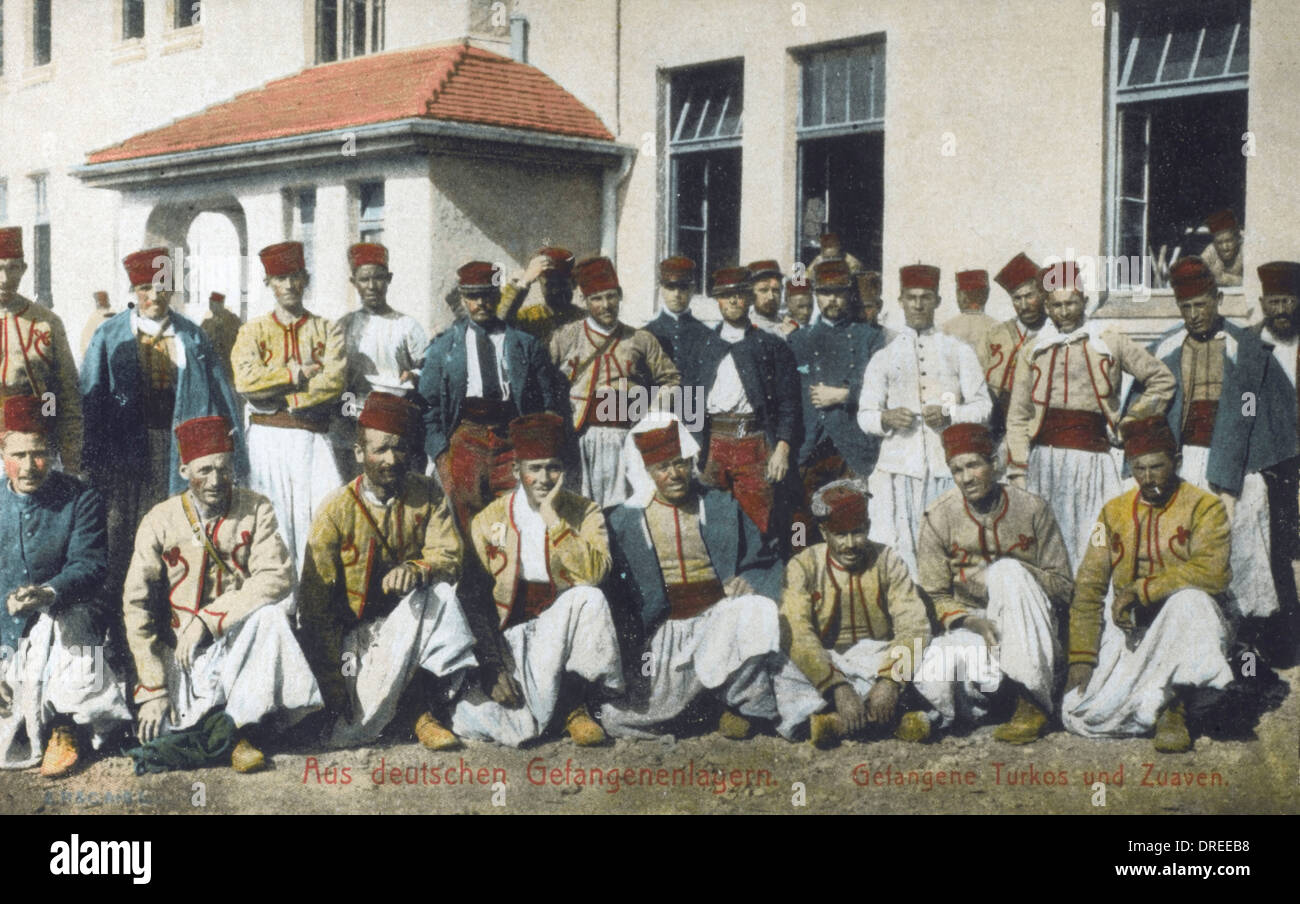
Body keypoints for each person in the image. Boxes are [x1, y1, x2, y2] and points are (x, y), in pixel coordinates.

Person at [123, 415, 321, 773]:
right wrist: (152, 687)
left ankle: (240, 732)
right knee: (161, 730)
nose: (216, 481)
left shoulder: (255, 507)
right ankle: (230, 734)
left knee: (271, 616)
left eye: (224, 469)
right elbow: (136, 606)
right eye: (205, 470)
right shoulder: (159, 519)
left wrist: (209, 619)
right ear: (184, 470)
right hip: (182, 654)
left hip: (236, 642)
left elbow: (276, 576)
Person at [298, 393, 478, 750]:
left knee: (437, 593)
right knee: (355, 726)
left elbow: (450, 554)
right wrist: (332, 678)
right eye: (380, 450)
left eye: (398, 449)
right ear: (359, 452)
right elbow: (315, 606)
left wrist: (417, 568)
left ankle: (424, 712)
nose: (391, 459)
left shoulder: (426, 492)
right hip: (356, 642)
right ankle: (404, 713)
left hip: (407, 625)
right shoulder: (334, 511)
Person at [601, 418, 783, 739]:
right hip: (664, 635)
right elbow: (616, 597)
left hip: (719, 620)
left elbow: (764, 560)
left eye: (679, 463)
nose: (674, 474)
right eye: (661, 467)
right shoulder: (625, 521)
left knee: (754, 609)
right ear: (647, 472)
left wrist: (747, 581)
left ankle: (741, 706)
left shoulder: (718, 505)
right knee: (618, 719)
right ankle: (708, 708)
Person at [1061, 417, 1234, 753]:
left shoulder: (1205, 506)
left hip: (1194, 622)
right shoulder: (1112, 512)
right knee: (1078, 714)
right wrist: (1081, 656)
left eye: (1157, 467)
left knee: (1190, 601)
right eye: (1139, 469)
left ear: (1177, 462)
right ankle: (1157, 705)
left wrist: (1141, 591)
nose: (1148, 478)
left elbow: (1214, 573)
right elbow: (1089, 585)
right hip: (1135, 630)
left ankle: (1175, 707)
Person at [451, 412, 624, 747]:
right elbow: (475, 597)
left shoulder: (585, 511)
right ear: (517, 471)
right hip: (510, 638)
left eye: (553, 467)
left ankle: (574, 708)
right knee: (510, 726)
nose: (544, 478)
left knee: (589, 598)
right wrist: (492, 665)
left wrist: (554, 519)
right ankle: (549, 710)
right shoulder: (489, 519)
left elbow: (594, 575)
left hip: (558, 631)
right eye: (534, 468)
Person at [82, 247, 248, 595]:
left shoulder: (192, 337)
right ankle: (120, 624)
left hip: (177, 452)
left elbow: (220, 395)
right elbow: (91, 402)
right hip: (125, 455)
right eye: (144, 288)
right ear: (134, 291)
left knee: (176, 532)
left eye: (161, 287)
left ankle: (174, 611)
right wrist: (93, 462)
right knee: (122, 536)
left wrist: (233, 454)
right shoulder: (109, 335)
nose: (153, 296)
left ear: (171, 289)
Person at [1133, 256, 1286, 620]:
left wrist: (1236, 457)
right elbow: (1146, 408)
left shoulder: (1246, 350)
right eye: (1185, 307)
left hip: (1235, 460)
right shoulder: (1165, 348)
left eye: (1200, 304)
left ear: (1217, 299)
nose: (1194, 314)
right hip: (1184, 458)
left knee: (1243, 529)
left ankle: (1247, 632)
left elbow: (1253, 410)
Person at [1004, 260, 1174, 570]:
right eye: (1056, 305)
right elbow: (1018, 415)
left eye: (1071, 302)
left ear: (1084, 300)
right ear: (1046, 305)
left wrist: (1133, 419)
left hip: (1094, 460)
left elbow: (1161, 380)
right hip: (1045, 460)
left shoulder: (1108, 340)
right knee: (1047, 542)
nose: (1064, 312)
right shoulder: (1033, 349)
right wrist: (1019, 467)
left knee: (1095, 541)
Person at [914, 423, 1073, 743]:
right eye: (957, 470)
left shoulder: (1032, 508)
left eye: (974, 465)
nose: (966, 477)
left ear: (994, 464)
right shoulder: (939, 515)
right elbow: (934, 594)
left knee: (1007, 572)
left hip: (1034, 630)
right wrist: (970, 620)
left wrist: (1015, 575)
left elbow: (1064, 585)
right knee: (933, 672)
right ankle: (987, 704)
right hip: (976, 627)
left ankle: (1032, 702)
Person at [0, 396, 131, 777]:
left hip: (63, 615)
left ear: (54, 452)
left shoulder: (79, 497)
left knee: (74, 626)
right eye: (18, 454)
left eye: (39, 453)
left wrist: (47, 593)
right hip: (5, 634)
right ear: (2, 451)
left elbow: (89, 565)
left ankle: (67, 726)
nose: (28, 466)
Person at [773, 479, 933, 748]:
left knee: (933, 660)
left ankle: (836, 724)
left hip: (880, 659)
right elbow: (798, 632)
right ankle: (893, 722)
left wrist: (890, 680)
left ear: (868, 527)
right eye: (840, 534)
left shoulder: (888, 560)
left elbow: (913, 624)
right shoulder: (803, 565)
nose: (850, 544)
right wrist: (838, 687)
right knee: (781, 667)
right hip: (828, 661)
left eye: (857, 532)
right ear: (824, 532)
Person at [856, 263, 992, 576]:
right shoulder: (884, 357)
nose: (918, 304)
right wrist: (886, 418)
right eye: (911, 297)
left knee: (950, 549)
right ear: (901, 301)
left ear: (938, 301)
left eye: (926, 297)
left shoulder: (957, 350)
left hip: (946, 470)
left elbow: (983, 407)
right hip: (898, 470)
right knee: (901, 551)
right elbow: (865, 415)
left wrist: (951, 415)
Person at [418, 260, 569, 534]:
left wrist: (538, 448)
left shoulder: (525, 344)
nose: (480, 303)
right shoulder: (444, 347)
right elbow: (429, 406)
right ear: (463, 299)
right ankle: (474, 576)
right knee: (468, 520)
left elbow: (548, 402)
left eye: (487, 295)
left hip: (512, 438)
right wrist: (441, 454)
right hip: (465, 439)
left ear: (498, 296)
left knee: (516, 515)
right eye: (472, 296)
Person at [231, 241, 346, 571]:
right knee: (274, 523)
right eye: (280, 279)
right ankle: (282, 609)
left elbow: (333, 381)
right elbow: (245, 380)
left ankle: (316, 606)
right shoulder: (253, 330)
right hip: (267, 440)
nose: (289, 286)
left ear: (306, 279)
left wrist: (285, 398)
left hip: (313, 437)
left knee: (323, 517)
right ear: (269, 284)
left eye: (296, 277)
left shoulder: (327, 328)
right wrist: (294, 374)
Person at [549, 256, 680, 509]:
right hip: (580, 440)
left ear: (620, 295)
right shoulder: (566, 337)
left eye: (611, 296)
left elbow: (671, 380)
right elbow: (544, 382)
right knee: (581, 509)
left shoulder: (641, 339)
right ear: (585, 301)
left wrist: (650, 412)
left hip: (627, 438)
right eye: (597, 299)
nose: (606, 305)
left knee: (626, 511)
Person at [698, 266, 802, 545]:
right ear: (717, 301)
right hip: (712, 445)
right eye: (725, 295)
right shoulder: (703, 345)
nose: (733, 301)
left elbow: (790, 403)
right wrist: (692, 448)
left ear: (749, 298)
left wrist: (781, 448)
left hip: (754, 444)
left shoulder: (771, 346)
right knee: (716, 525)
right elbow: (689, 399)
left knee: (759, 523)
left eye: (739, 295)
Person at [788, 259, 886, 529]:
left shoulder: (869, 338)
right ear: (815, 295)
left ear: (849, 295)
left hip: (852, 445)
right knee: (803, 525)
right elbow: (788, 398)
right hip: (810, 446)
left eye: (839, 293)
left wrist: (844, 395)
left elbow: (882, 390)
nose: (832, 300)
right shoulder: (799, 339)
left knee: (850, 522)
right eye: (824, 293)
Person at [335, 243, 428, 478]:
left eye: (378, 278)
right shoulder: (344, 326)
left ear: (389, 279)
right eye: (364, 279)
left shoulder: (407, 326)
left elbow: (427, 369)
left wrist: (415, 375)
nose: (371, 286)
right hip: (355, 419)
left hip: (398, 422)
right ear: (353, 282)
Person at [0, 227, 83, 474]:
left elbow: (65, 394)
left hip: (36, 441)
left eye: (13, 268)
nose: (5, 278)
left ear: (24, 269)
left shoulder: (46, 322)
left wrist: (70, 455)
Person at [1251, 260, 1300, 636]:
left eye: (1288, 302)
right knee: (1276, 544)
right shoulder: (1251, 345)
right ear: (1263, 303)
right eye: (1274, 302)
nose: (1281, 311)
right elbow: (1244, 404)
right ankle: (1286, 626)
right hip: (1273, 459)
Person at [981, 253, 1047, 438]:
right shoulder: (996, 334)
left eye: (1029, 296)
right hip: (998, 421)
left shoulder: (1053, 332)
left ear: (1042, 294)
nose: (1024, 305)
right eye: (1017, 299)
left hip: (1038, 420)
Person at [644, 256, 716, 400]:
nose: (677, 294)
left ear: (692, 289)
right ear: (661, 289)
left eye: (683, 287)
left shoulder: (707, 335)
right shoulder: (645, 334)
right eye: (671, 287)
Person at [497, 247, 584, 348]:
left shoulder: (584, 318)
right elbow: (499, 322)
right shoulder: (531, 317)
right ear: (540, 284)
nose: (555, 291)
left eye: (562, 284)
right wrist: (525, 281)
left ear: (574, 283)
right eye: (549, 285)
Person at [940, 269, 996, 362]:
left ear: (962, 295)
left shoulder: (945, 328)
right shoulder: (998, 327)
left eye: (958, 292)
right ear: (986, 295)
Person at [747, 259, 798, 338]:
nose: (771, 297)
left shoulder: (790, 323)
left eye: (776, 290)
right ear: (751, 294)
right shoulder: (747, 326)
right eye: (763, 290)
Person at [199, 291, 241, 382]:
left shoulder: (233, 320)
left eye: (213, 303)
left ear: (221, 304)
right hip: (212, 365)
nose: (210, 306)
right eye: (210, 303)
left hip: (228, 364)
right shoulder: (206, 323)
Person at [1199, 209, 1243, 288]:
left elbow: (1253, 282)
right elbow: (1197, 277)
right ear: (1214, 243)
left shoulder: (1245, 250)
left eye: (1229, 241)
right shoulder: (1211, 251)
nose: (1225, 247)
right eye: (1219, 243)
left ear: (1237, 238)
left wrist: (1226, 279)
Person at [79, 291, 115, 360]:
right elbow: (84, 342)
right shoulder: (93, 318)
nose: (101, 302)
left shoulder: (115, 314)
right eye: (100, 300)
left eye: (104, 299)